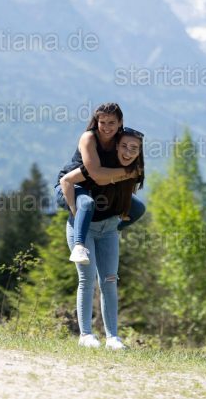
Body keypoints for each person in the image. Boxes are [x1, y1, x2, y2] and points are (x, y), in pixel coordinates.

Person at [58, 127, 146, 349]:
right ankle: (85, 335)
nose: (128, 152)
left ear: (139, 152)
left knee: (109, 281)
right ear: (116, 146)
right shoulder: (97, 168)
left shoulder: (134, 170)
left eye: (134, 148)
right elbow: (67, 181)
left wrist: (116, 226)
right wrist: (75, 211)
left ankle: (112, 338)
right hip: (84, 228)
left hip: (109, 231)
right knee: (87, 280)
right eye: (124, 146)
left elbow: (130, 203)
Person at [54, 103, 145, 264]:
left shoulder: (119, 141)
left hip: (96, 187)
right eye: (102, 122)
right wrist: (128, 172)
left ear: (120, 123)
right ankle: (79, 246)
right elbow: (96, 175)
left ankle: (111, 230)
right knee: (86, 203)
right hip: (73, 185)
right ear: (96, 122)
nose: (107, 127)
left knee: (138, 208)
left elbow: (113, 176)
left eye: (112, 123)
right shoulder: (89, 138)